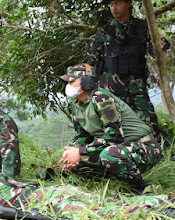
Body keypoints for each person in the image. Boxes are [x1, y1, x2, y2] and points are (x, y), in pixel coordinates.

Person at [0, 154, 173, 220]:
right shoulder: (0, 178)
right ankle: (162, 201)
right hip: (54, 191)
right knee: (106, 202)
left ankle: (160, 212)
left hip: (49, 200)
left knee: (104, 212)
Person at [59, 63, 162, 194]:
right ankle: (115, 178)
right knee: (74, 160)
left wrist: (80, 153)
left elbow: (115, 138)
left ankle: (140, 187)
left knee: (109, 155)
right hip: (119, 147)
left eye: (72, 81)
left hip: (144, 147)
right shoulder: (75, 105)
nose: (68, 85)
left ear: (86, 81)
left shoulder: (102, 100)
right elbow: (83, 136)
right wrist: (74, 151)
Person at [88, 0, 170, 139]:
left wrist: (163, 45)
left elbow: (155, 50)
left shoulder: (142, 27)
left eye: (117, 3)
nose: (114, 8)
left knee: (150, 125)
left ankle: (155, 152)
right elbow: (93, 60)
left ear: (128, 3)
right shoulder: (104, 31)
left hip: (135, 86)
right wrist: (87, 79)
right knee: (110, 124)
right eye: (111, 4)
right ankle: (110, 153)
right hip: (110, 89)